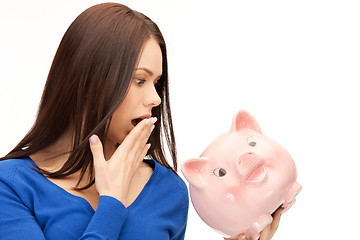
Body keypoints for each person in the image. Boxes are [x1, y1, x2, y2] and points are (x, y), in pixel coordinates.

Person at [0, 3, 281, 240]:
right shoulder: (10, 185)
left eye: (157, 83)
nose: (155, 99)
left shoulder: (167, 190)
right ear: (88, 82)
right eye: (139, 80)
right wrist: (112, 202)